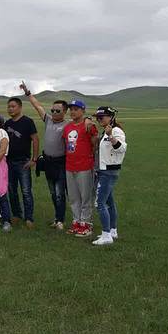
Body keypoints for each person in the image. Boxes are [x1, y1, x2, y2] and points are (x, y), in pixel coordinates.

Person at [20, 81, 69, 230]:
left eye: (57, 111)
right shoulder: (48, 120)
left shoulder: (68, 125)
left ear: (64, 112)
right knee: (53, 192)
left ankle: (60, 220)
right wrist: (28, 93)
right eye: (52, 110)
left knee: (60, 193)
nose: (53, 113)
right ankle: (57, 218)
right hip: (48, 162)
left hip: (61, 163)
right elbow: (38, 107)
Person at [91, 107, 128, 246]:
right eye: (97, 118)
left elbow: (122, 148)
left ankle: (106, 235)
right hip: (104, 170)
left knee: (100, 203)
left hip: (108, 172)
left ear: (111, 117)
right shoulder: (106, 130)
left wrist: (111, 136)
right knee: (109, 202)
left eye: (101, 117)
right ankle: (112, 231)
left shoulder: (116, 131)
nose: (99, 120)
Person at [62, 99, 99, 237]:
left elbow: (94, 144)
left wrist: (88, 157)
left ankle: (86, 224)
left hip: (84, 166)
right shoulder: (67, 127)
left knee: (86, 197)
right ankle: (76, 222)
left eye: (76, 109)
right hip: (69, 166)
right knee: (73, 197)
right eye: (71, 109)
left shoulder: (89, 126)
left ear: (83, 111)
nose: (72, 112)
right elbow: (66, 144)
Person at [4, 97, 39, 228]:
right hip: (9, 162)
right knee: (11, 190)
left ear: (20, 107)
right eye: (9, 107)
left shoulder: (28, 122)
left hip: (23, 162)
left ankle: (29, 217)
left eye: (13, 106)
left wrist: (34, 159)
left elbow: (35, 139)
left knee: (26, 191)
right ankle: (17, 214)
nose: (10, 109)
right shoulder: (7, 123)